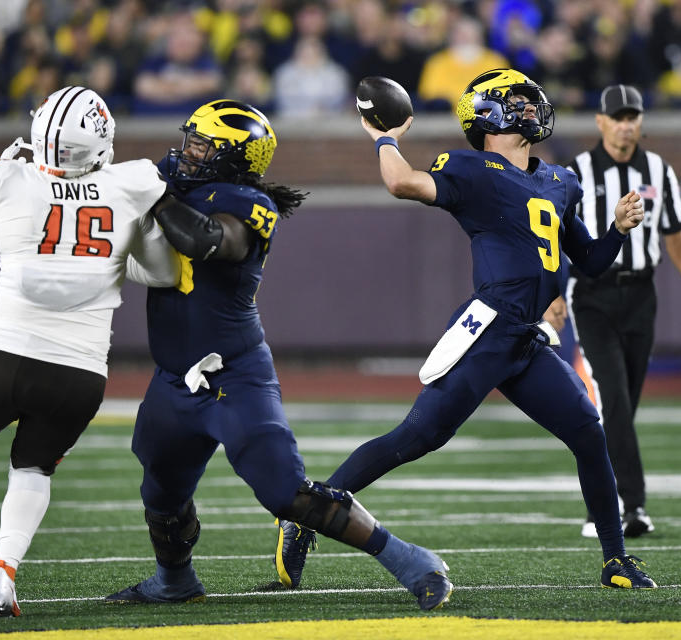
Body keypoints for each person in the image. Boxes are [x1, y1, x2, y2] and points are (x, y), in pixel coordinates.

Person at [274, 69, 656, 592]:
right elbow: (401, 182)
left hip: (526, 337)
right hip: (488, 329)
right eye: (516, 102)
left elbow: (589, 262)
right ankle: (306, 511)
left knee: (589, 431)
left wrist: (617, 229)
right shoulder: (474, 169)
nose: (529, 109)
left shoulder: (560, 180)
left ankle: (616, 560)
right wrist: (385, 138)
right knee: (417, 437)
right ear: (489, 115)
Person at [103, 100, 452, 611]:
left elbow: (205, 240)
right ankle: (174, 580)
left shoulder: (247, 202)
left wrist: (154, 193)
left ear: (234, 157)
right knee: (160, 490)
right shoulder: (176, 185)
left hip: (235, 377)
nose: (188, 152)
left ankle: (410, 558)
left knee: (286, 492)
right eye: (190, 140)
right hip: (174, 378)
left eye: (203, 145)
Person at [0, 86, 182, 617]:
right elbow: (163, 274)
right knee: (33, 471)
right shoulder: (130, 185)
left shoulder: (9, 179)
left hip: (3, 352)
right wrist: (120, 254)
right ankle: (3, 569)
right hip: (78, 371)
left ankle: (2, 568)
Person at [566, 84, 681, 540]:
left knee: (623, 405)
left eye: (633, 116)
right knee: (613, 397)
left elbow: (673, 235)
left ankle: (601, 502)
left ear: (641, 122)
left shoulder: (657, 169)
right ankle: (631, 506)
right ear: (601, 121)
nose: (626, 124)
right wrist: (551, 295)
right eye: (618, 116)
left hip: (641, 295)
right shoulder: (578, 172)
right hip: (591, 293)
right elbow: (555, 236)